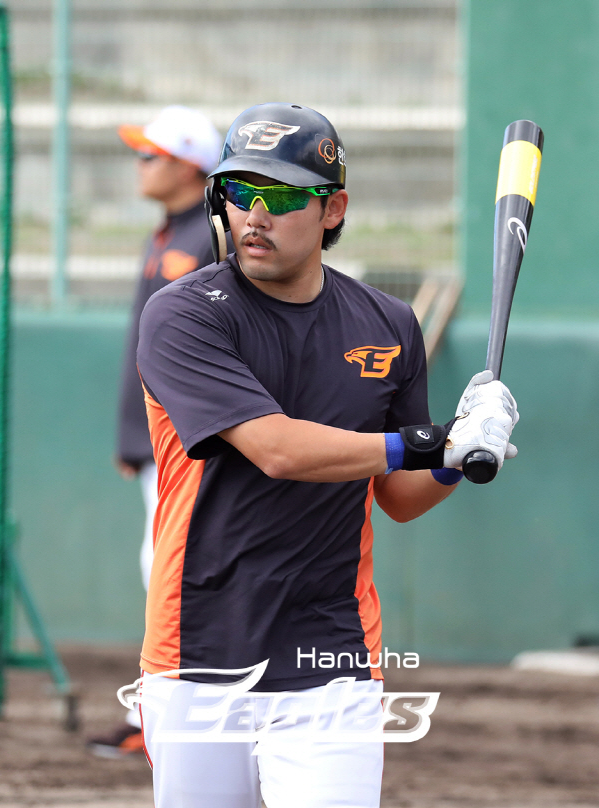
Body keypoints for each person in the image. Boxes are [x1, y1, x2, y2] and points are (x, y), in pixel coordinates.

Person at [134, 103, 519, 807]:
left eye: (281, 197)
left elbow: (400, 498)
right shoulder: (184, 314)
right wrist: (431, 441)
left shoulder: (388, 324)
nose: (255, 215)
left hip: (331, 651)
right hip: (198, 648)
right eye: (239, 192)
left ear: (332, 208)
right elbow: (276, 449)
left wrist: (461, 451)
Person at [86, 106, 223, 758]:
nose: (139, 165)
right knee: (164, 573)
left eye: (151, 155)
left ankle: (168, 716)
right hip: (157, 445)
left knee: (176, 575)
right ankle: (163, 713)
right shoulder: (169, 231)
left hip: (191, 443)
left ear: (189, 166)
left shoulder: (213, 235)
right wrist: (131, 441)